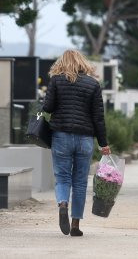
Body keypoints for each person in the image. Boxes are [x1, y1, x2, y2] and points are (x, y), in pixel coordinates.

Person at [43, 49, 111, 237]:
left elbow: (47, 107)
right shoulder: (93, 84)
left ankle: (63, 203)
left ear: (62, 63)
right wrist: (103, 143)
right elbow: (98, 118)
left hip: (61, 136)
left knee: (63, 177)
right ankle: (75, 224)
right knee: (80, 182)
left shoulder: (56, 81)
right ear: (82, 63)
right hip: (85, 139)